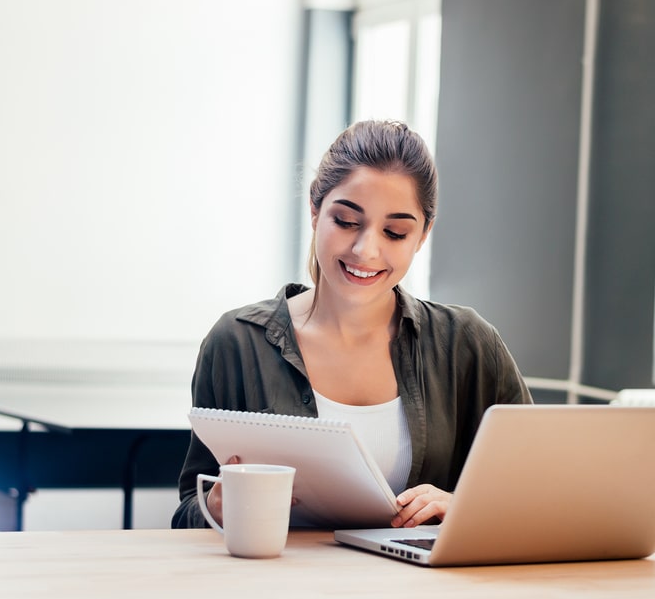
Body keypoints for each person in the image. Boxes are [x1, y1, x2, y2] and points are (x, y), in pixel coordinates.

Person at [171, 119, 532, 529]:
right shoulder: (237, 342)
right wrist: (216, 508)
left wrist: (465, 507)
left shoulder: (468, 345)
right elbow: (187, 512)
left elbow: (539, 494)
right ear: (315, 210)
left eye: (395, 232)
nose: (366, 250)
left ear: (423, 235)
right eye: (346, 222)